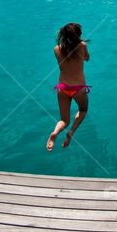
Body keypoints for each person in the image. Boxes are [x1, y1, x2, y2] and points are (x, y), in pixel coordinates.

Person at [46, 22, 90, 151]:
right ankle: (71, 132)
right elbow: (87, 58)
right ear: (78, 35)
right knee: (83, 110)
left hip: (63, 87)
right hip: (78, 89)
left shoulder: (57, 49)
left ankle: (55, 132)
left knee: (64, 119)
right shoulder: (82, 46)